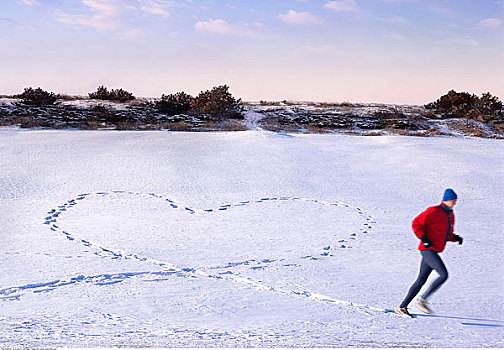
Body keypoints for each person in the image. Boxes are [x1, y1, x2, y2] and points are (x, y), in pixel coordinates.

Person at [396, 188, 463, 318]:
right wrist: (423, 238)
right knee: (443, 275)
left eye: (455, 201)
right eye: (453, 200)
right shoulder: (434, 211)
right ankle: (422, 300)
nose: (454, 203)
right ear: (446, 200)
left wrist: (455, 238)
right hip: (427, 249)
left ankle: (402, 307)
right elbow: (416, 223)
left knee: (421, 280)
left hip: (433, 249)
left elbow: (445, 234)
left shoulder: (450, 215)